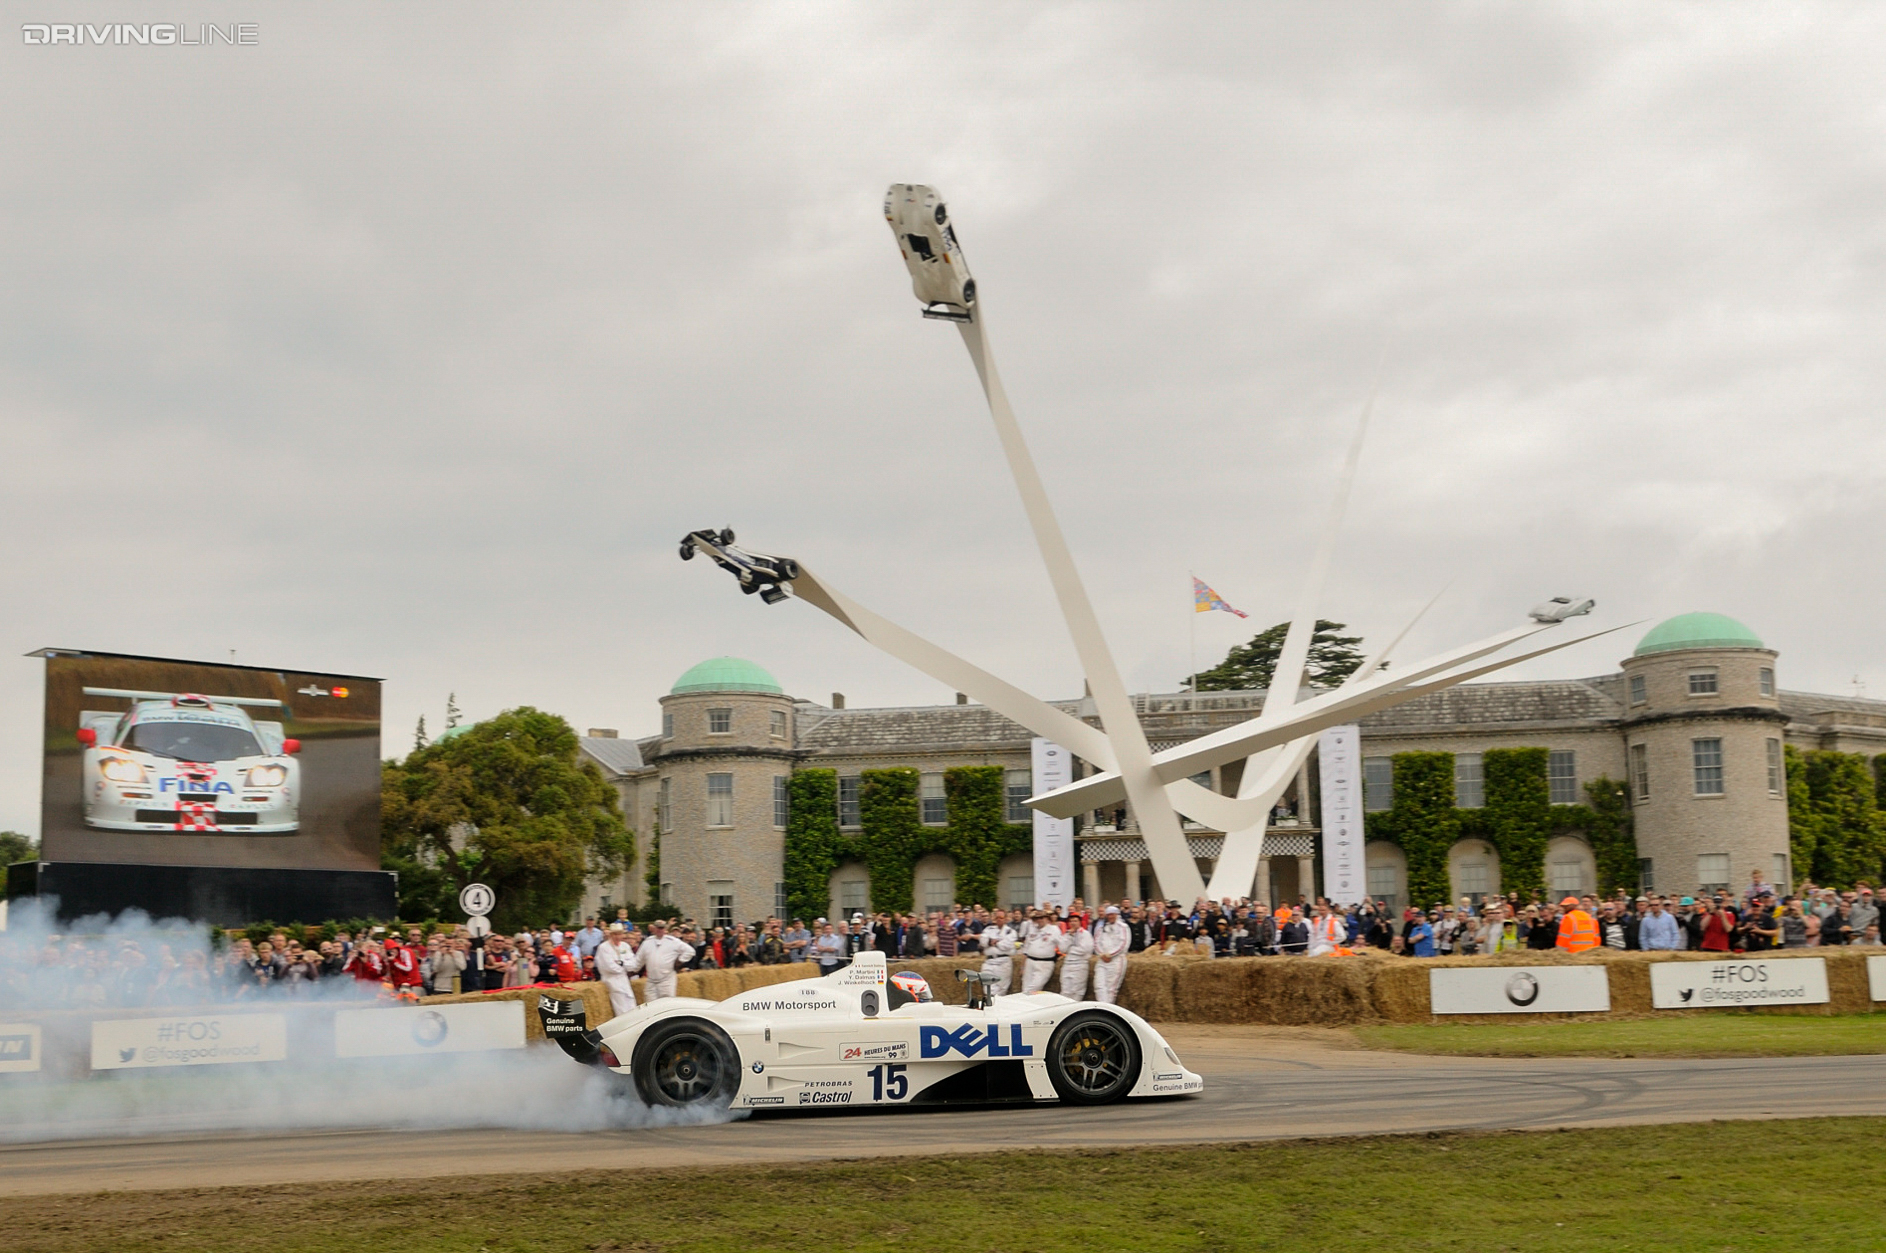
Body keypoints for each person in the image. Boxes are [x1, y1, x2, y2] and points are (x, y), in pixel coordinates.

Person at [630, 919, 691, 1000]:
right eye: (658, 928)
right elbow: (639, 959)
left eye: (661, 928)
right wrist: (633, 970)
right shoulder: (647, 942)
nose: (660, 930)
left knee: (666, 1003)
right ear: (654, 929)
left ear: (665, 929)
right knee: (650, 1004)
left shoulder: (673, 941)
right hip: (651, 980)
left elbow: (690, 951)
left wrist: (680, 961)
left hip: (667, 980)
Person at [595, 922, 639, 1015]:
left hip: (624, 979)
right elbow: (610, 967)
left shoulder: (625, 946)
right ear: (611, 935)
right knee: (621, 1007)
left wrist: (622, 963)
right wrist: (625, 966)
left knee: (631, 1004)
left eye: (619, 934)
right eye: (615, 934)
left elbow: (633, 964)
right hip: (612, 980)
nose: (617, 936)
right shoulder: (604, 947)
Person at [1091, 906, 1130, 1004]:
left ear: (1117, 915)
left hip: (1116, 960)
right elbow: (1096, 942)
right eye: (1108, 915)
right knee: (1099, 985)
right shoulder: (1102, 928)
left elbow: (1123, 944)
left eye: (1112, 914)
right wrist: (1102, 955)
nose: (1110, 917)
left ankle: (1107, 1008)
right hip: (1102, 960)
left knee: (1111, 988)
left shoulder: (1123, 927)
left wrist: (1110, 955)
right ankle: (1102, 1006)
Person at [1020, 909, 1063, 993]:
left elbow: (1062, 944)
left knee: (1034, 988)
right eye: (1037, 918)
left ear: (1047, 918)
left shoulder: (1054, 929)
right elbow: (1025, 950)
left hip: (1045, 963)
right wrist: (1022, 967)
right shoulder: (1032, 929)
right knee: (1024, 988)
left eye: (1042, 918)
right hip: (1030, 961)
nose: (1039, 920)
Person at [980, 912, 1018, 996]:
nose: (999, 919)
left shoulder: (1010, 931)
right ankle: (989, 1001)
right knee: (986, 985)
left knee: (1001, 988)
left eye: (1001, 917)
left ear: (1005, 919)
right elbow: (982, 941)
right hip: (989, 961)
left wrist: (993, 942)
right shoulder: (988, 929)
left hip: (1003, 961)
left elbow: (1007, 945)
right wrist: (994, 941)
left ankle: (998, 1002)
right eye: (997, 917)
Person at [1059, 915, 1094, 998]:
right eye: (1071, 921)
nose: (1073, 923)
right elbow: (1062, 949)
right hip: (1067, 964)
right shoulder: (1067, 934)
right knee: (1065, 990)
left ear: (1079, 922)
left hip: (1080, 964)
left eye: (1075, 921)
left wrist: (1070, 949)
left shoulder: (1085, 934)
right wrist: (1069, 936)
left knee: (1077, 990)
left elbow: (1085, 950)